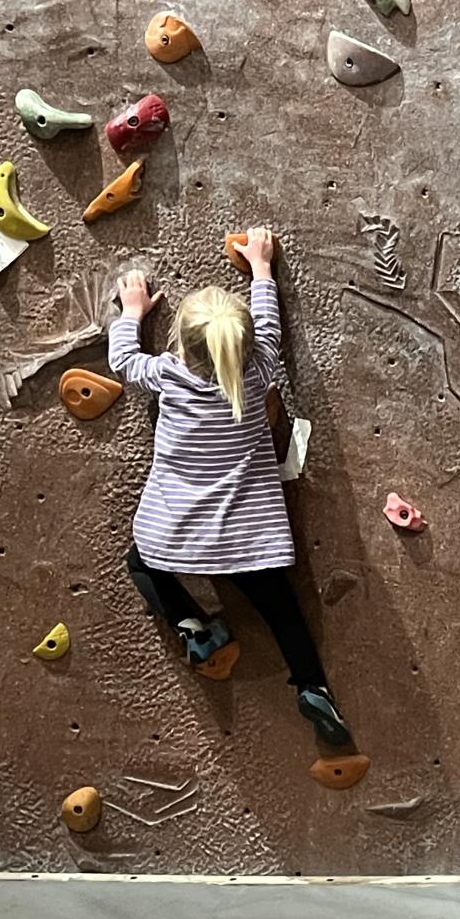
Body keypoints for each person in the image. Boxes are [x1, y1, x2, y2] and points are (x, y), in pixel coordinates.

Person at [110, 228, 358, 756]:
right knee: (282, 611)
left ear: (179, 341)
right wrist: (262, 272)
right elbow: (271, 332)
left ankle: (193, 625)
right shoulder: (260, 370)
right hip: (247, 542)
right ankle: (312, 686)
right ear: (243, 347)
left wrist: (131, 312)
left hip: (176, 538)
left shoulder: (169, 374)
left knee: (139, 562)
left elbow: (123, 362)